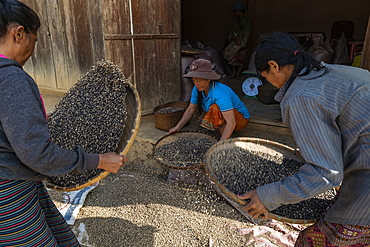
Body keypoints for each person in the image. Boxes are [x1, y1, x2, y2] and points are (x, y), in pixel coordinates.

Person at [0, 1, 127, 246]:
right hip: (8, 193)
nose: (32, 50)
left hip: (21, 182)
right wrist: (99, 160)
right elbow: (38, 153)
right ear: (19, 33)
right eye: (34, 42)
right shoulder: (11, 79)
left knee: (61, 235)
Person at [237, 32, 370, 246]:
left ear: (274, 66)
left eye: (265, 76)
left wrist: (267, 196)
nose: (268, 82)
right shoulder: (336, 72)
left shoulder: (302, 95)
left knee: (313, 241)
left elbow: (327, 172)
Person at [168, 58, 250, 141]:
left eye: (199, 80)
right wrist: (177, 127)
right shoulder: (196, 89)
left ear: (209, 79)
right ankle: (220, 131)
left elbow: (231, 122)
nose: (196, 84)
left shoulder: (220, 93)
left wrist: (220, 144)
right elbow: (190, 109)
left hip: (239, 119)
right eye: (194, 80)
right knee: (196, 107)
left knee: (215, 108)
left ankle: (225, 137)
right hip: (224, 117)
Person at [224, 1, 251, 80]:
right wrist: (230, 38)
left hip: (242, 41)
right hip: (235, 41)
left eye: (236, 11)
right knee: (231, 57)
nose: (235, 13)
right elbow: (231, 30)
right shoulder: (235, 20)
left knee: (241, 58)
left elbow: (247, 32)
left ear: (240, 10)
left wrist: (244, 43)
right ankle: (234, 72)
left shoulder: (246, 20)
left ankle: (238, 74)